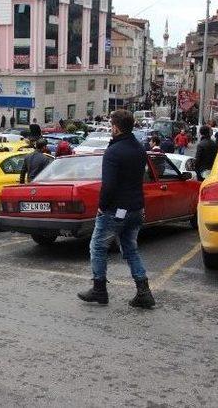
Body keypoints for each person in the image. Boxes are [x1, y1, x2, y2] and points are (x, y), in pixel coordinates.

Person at [77, 109, 155, 309]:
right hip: (136, 207)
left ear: (116, 128)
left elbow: (109, 185)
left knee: (97, 246)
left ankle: (99, 289)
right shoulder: (139, 148)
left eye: (112, 125)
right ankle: (143, 291)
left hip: (116, 210)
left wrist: (102, 207)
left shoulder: (113, 151)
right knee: (130, 249)